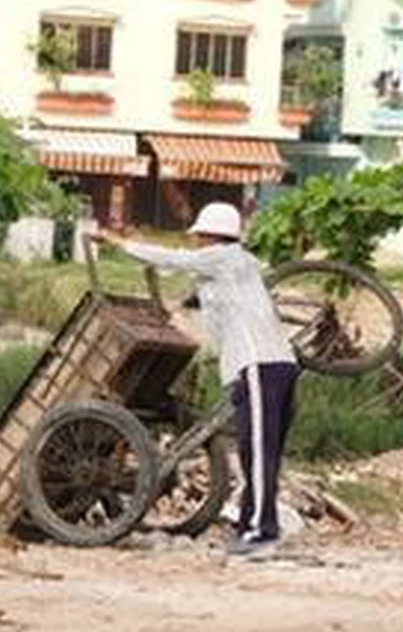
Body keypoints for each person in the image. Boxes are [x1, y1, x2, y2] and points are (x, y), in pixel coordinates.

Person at [91, 202, 298, 555]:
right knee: (258, 453)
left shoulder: (221, 257)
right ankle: (252, 525)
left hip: (258, 365)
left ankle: (261, 534)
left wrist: (117, 242)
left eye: (199, 236)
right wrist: (181, 306)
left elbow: (172, 259)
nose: (196, 242)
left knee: (258, 453)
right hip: (275, 365)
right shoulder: (240, 265)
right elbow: (216, 298)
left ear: (211, 236)